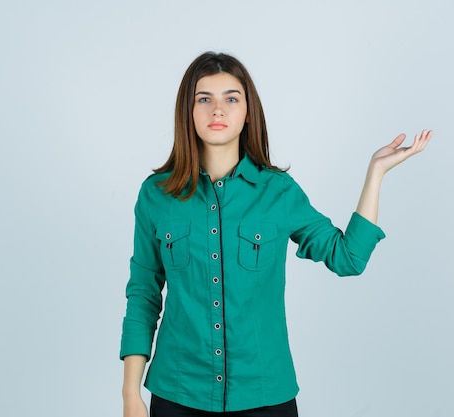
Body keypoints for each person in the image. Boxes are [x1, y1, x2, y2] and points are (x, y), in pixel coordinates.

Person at [120, 51, 432, 417]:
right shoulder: (157, 195)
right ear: (187, 111)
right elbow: (143, 294)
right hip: (177, 394)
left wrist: (375, 174)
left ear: (248, 112)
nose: (217, 110)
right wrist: (130, 394)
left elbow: (348, 258)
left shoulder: (278, 192)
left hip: (265, 395)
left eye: (231, 99)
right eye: (204, 99)